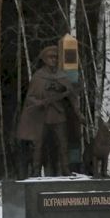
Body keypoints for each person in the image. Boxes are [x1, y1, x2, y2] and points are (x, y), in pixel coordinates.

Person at [17, 45, 84, 177]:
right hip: (42, 116)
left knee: (63, 144)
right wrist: (39, 102)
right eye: (51, 57)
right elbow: (30, 97)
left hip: (58, 115)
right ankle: (36, 171)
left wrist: (78, 113)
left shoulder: (62, 76)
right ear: (45, 59)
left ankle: (65, 169)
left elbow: (72, 97)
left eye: (56, 57)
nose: (54, 60)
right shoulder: (38, 77)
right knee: (38, 145)